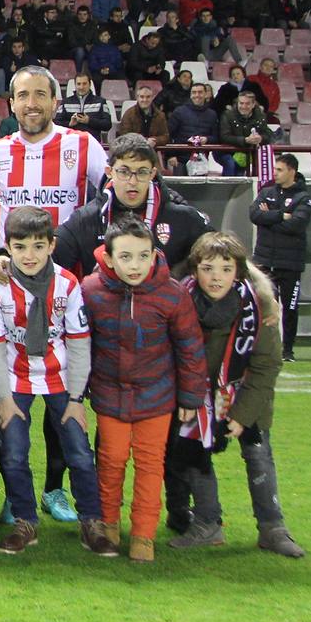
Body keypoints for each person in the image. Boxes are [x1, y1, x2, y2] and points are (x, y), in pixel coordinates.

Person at [0, 206, 112, 555]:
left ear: (52, 245)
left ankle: (92, 522)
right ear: (8, 246)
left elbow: (80, 343)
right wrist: (4, 398)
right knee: (12, 454)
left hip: (61, 380)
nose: (29, 255)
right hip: (15, 381)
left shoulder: (68, 284)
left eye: (38, 246)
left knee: (80, 454)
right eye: (20, 246)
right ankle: (25, 522)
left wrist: (76, 399)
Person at [169, 232, 305, 558]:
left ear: (239, 272)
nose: (216, 276)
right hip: (197, 397)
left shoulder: (261, 306)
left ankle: (273, 528)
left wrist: (242, 415)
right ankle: (207, 523)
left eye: (226, 268)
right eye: (208, 268)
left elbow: (267, 365)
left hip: (247, 394)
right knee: (194, 455)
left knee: (258, 455)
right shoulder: (178, 300)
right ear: (194, 270)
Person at [82, 218, 209, 562]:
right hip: (109, 395)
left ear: (155, 255)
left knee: (151, 465)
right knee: (110, 461)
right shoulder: (91, 291)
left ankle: (143, 535)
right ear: (108, 258)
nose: (134, 265)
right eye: (125, 257)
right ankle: (108, 525)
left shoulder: (172, 294)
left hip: (157, 396)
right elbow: (78, 344)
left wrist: (191, 396)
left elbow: (190, 346)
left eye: (142, 256)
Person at [0, 66, 108, 248]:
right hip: (9, 269)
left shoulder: (83, 144)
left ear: (54, 102)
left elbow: (114, 192)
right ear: (12, 104)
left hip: (66, 266)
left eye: (40, 94)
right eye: (23, 95)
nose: (31, 103)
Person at [249, 153, 311, 361]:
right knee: (265, 305)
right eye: (275, 169)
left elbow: (297, 224)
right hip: (265, 260)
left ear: (291, 171)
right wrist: (281, 215)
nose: (274, 173)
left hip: (290, 263)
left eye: (279, 170)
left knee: (290, 307)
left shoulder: (304, 197)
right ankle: (267, 347)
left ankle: (288, 350)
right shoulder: (267, 192)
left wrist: (270, 218)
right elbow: (254, 215)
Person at [218, 90, 272, 176]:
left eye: (247, 104)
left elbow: (268, 134)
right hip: (227, 152)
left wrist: (260, 138)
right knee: (231, 165)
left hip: (247, 154)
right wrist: (245, 140)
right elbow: (224, 137)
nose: (244, 106)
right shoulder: (228, 115)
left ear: (253, 104)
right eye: (241, 103)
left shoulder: (260, 116)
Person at [54, 73, 112, 140]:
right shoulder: (65, 102)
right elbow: (56, 123)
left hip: (92, 142)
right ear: (75, 85)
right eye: (78, 84)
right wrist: (69, 124)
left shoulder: (100, 102)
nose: (81, 87)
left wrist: (89, 121)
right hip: (71, 143)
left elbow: (107, 125)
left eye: (84, 84)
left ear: (90, 84)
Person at [117, 85, 169, 149]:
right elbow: (124, 135)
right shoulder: (129, 114)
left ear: (152, 98)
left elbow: (165, 136)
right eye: (142, 97)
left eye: (148, 97)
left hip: (153, 152)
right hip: (133, 151)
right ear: (137, 98)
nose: (145, 100)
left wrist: (155, 141)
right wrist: (145, 141)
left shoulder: (160, 115)